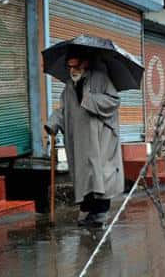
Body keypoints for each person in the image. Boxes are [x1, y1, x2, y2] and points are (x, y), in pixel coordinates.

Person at [45, 49, 124, 227]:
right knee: (84, 177)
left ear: (85, 63)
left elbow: (113, 101)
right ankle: (89, 213)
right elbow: (64, 110)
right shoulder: (68, 87)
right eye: (69, 66)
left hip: (100, 139)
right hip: (79, 140)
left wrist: (90, 100)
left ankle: (100, 215)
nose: (73, 70)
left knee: (100, 176)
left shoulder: (101, 79)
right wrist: (52, 123)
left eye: (76, 65)